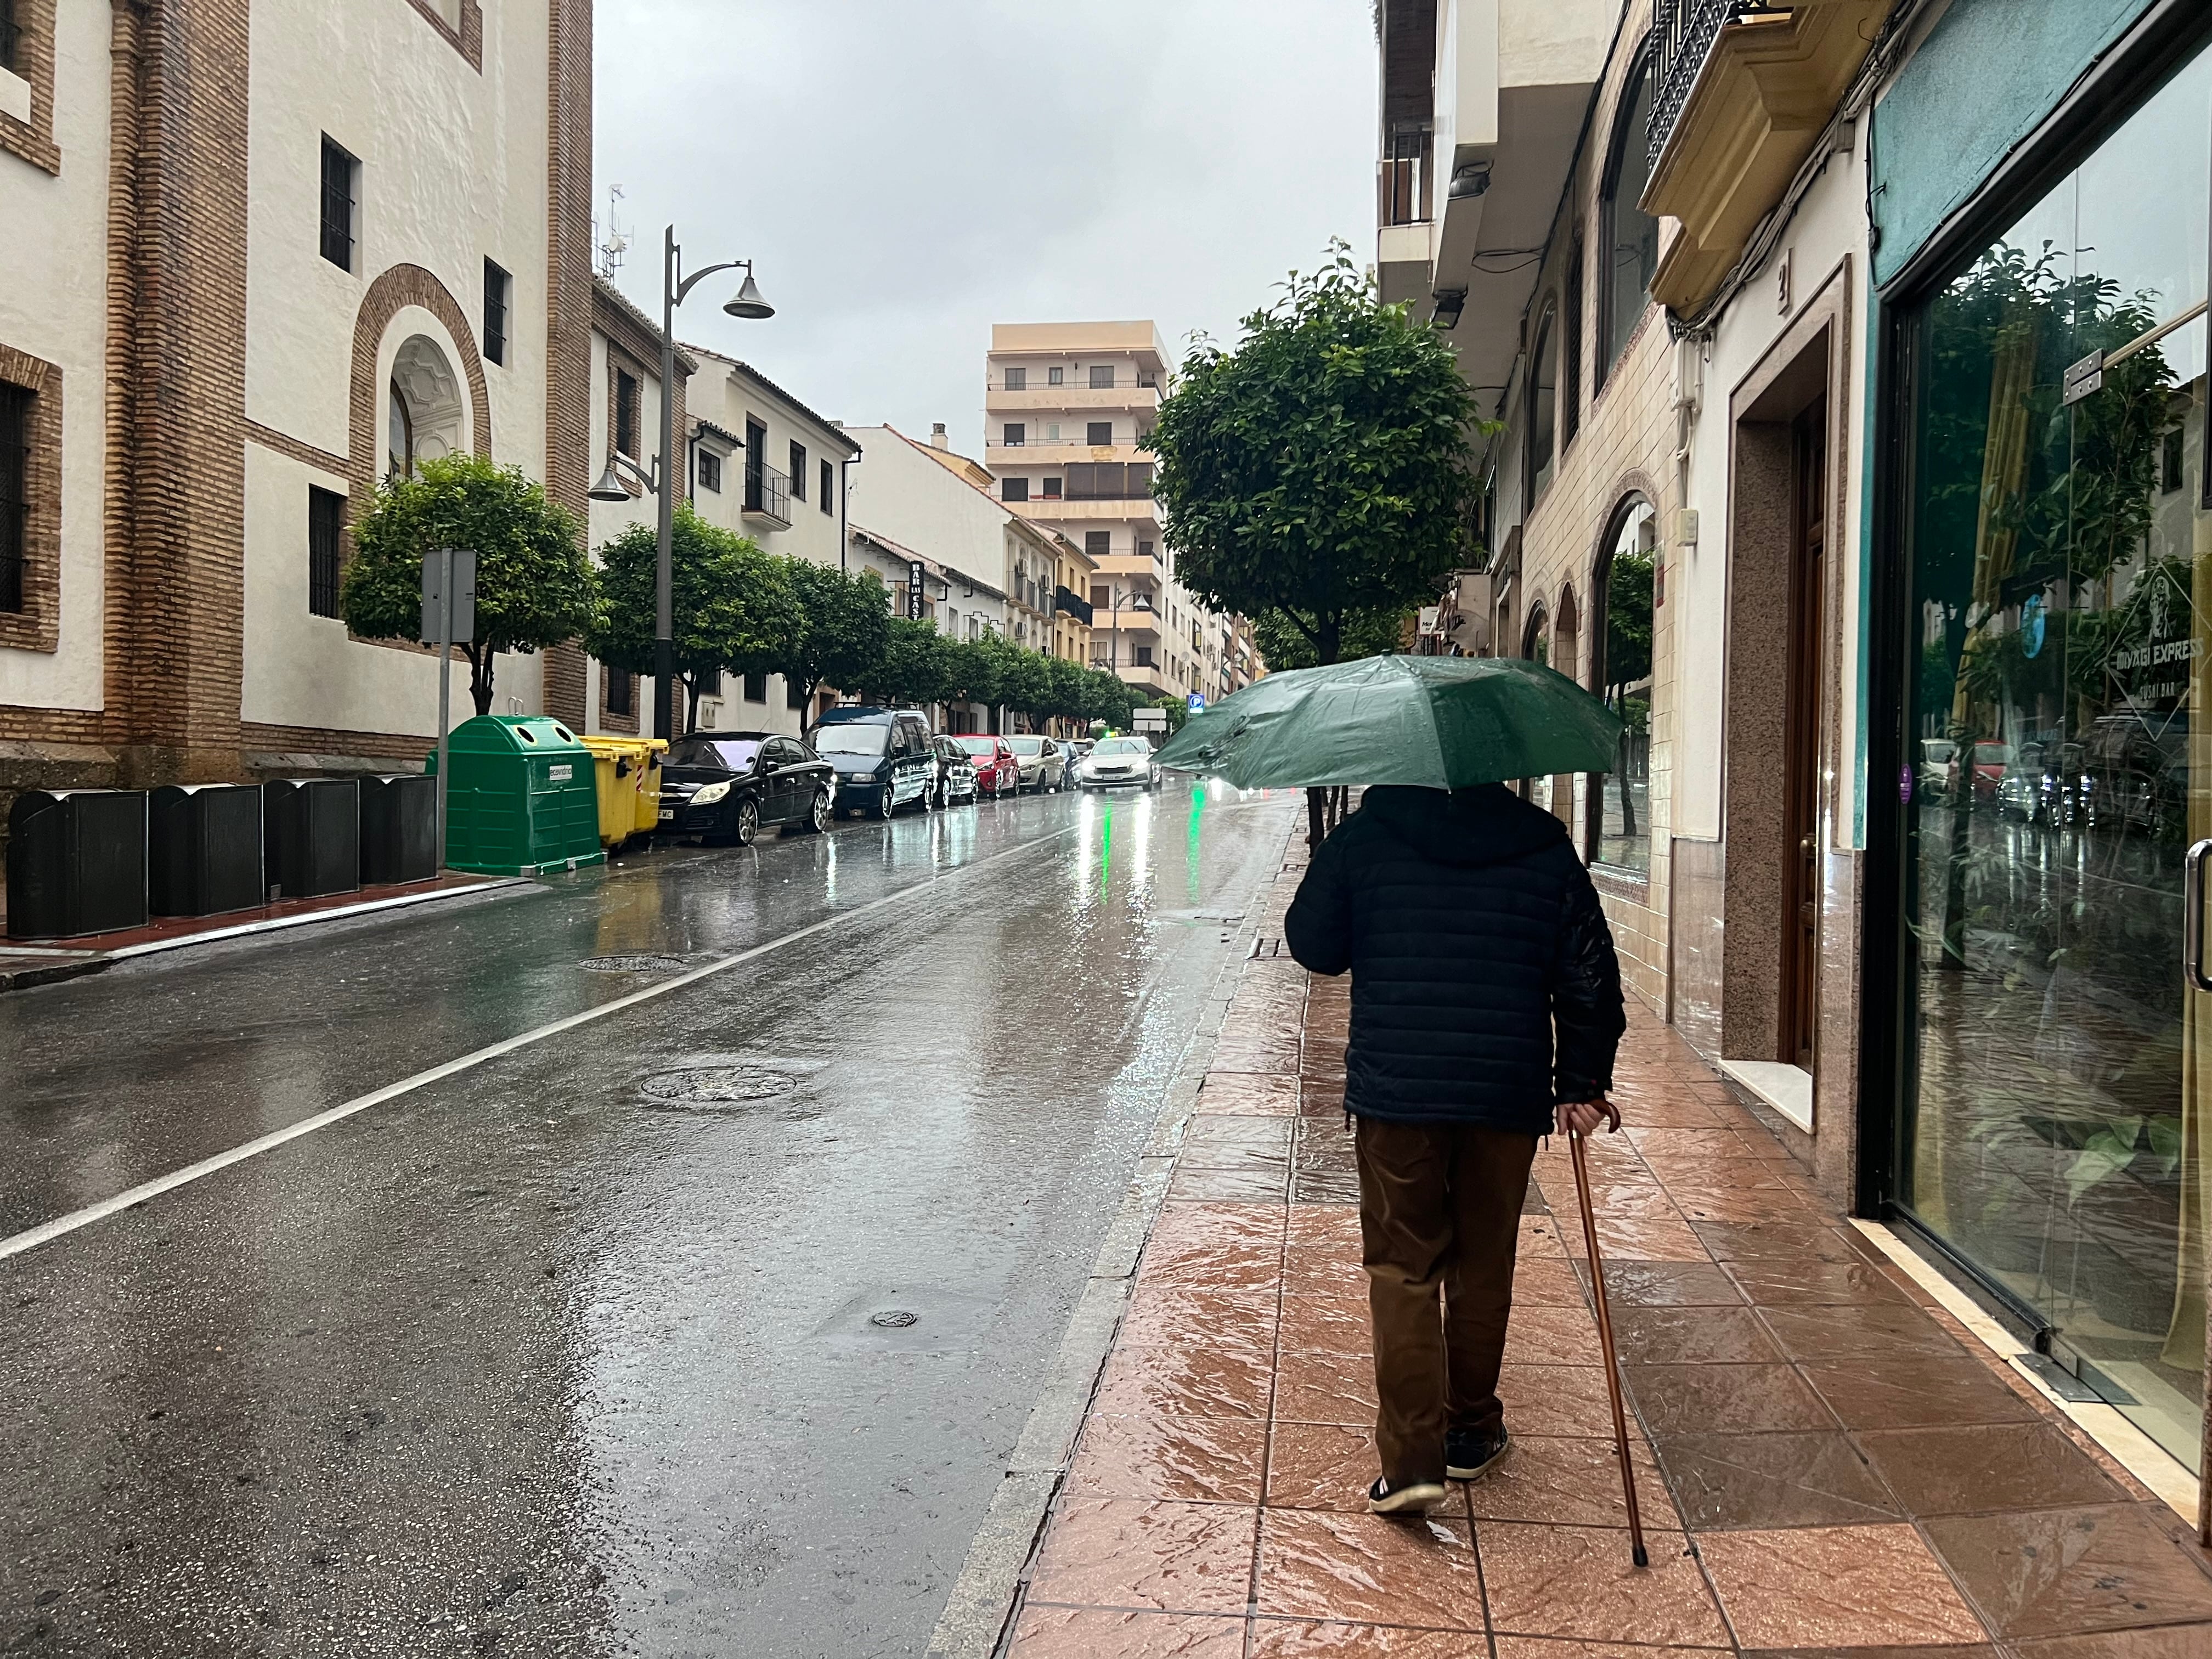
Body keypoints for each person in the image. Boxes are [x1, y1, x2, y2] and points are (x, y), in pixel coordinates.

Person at [1284, 782, 1626, 1514]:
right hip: (1506, 1091)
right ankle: (1469, 1430)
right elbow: (1591, 975)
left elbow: (1315, 948)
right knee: (1483, 1259)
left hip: (1397, 1091)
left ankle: (1411, 1465)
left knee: (1403, 1267)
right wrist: (1582, 1081)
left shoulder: (1366, 836)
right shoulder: (1542, 842)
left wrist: (1342, 858)